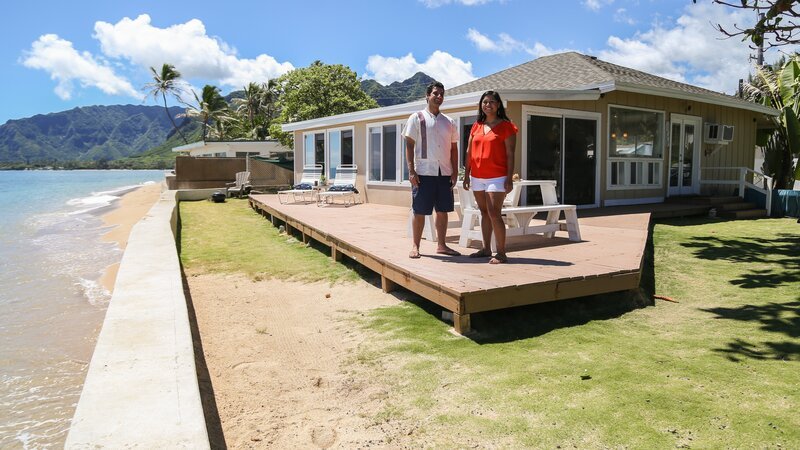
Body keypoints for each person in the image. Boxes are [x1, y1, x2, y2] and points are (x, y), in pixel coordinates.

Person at [404, 81, 460, 259]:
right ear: (427, 96)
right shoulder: (417, 118)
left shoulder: (449, 122)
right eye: (435, 93)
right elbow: (409, 144)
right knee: (419, 210)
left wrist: (455, 172)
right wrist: (411, 171)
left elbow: (454, 148)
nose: (439, 96)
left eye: (442, 94)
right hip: (423, 173)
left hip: (444, 173)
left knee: (443, 210)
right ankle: (415, 246)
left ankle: (442, 246)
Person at [462, 91, 518, 264]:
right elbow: (469, 152)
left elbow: (510, 154)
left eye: (492, 102)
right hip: (477, 176)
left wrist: (509, 179)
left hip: (497, 177)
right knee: (484, 212)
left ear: (498, 105)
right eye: (485, 102)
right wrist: (466, 175)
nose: (488, 105)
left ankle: (501, 253)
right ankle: (486, 249)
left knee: (494, 213)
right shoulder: (476, 126)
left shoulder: (507, 126)